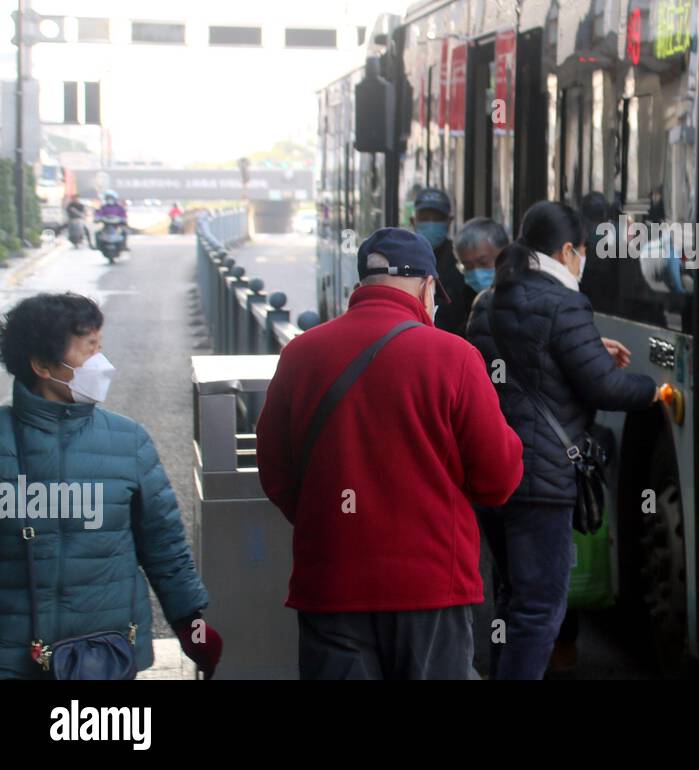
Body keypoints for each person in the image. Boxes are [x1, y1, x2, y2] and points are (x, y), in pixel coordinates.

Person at [256, 227, 523, 680]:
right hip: (431, 588)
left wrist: (327, 520)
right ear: (426, 286)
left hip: (331, 583)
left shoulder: (301, 353)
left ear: (362, 286)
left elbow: (275, 468)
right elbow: (498, 479)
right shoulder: (453, 356)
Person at [467, 200, 658, 680]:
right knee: (541, 608)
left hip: (494, 470)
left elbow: (527, 365)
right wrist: (655, 390)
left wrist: (592, 346)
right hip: (541, 477)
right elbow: (603, 386)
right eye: (582, 253)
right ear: (568, 250)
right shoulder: (561, 300)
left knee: (511, 599)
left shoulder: (488, 301)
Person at [0, 293, 221, 679]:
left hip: (103, 656)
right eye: (89, 350)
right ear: (42, 365)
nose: (102, 364)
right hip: (11, 657)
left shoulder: (128, 442)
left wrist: (192, 625)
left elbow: (164, 546)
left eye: (101, 347)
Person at [410, 187, 469, 336]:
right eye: (424, 218)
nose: (431, 223)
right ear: (413, 221)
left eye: (437, 218)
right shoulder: (402, 259)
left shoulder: (461, 260)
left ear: (449, 222)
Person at [453, 217, 510, 305]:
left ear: (505, 254)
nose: (476, 272)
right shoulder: (463, 297)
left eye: (483, 262)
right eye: (468, 266)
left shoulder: (524, 296)